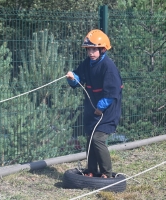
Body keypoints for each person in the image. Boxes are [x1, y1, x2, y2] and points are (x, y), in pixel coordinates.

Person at [66, 29, 123, 178]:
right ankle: (90, 170)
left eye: (94, 49)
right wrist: (72, 78)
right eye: (88, 50)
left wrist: (100, 108)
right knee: (90, 137)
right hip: (93, 109)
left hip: (108, 110)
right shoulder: (88, 63)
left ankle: (106, 173)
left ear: (102, 49)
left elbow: (112, 93)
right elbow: (78, 79)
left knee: (97, 139)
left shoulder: (108, 67)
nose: (91, 53)